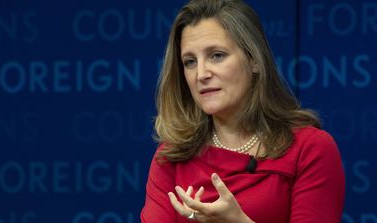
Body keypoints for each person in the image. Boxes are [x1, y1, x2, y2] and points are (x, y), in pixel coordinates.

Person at [141, 0, 345, 222]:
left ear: (254, 60)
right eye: (190, 61)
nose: (201, 74)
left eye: (217, 55)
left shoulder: (310, 149)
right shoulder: (171, 156)